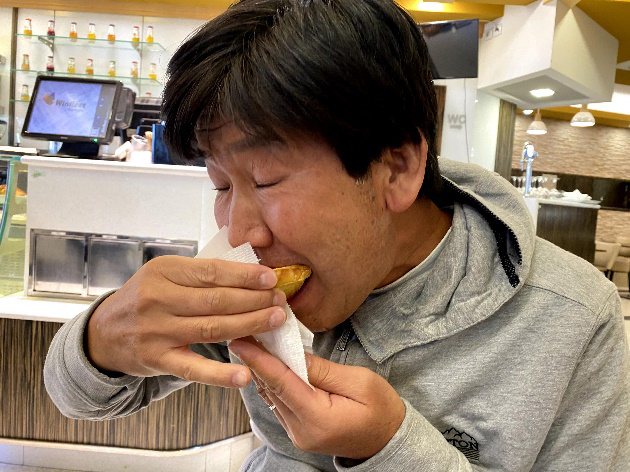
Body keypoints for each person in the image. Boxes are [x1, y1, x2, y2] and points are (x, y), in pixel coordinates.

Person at [44, 0, 629, 470]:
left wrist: (389, 451)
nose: (239, 231)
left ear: (395, 168)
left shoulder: (574, 319)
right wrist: (101, 340)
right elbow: (78, 398)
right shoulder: (254, 275)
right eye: (221, 185)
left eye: (267, 179)